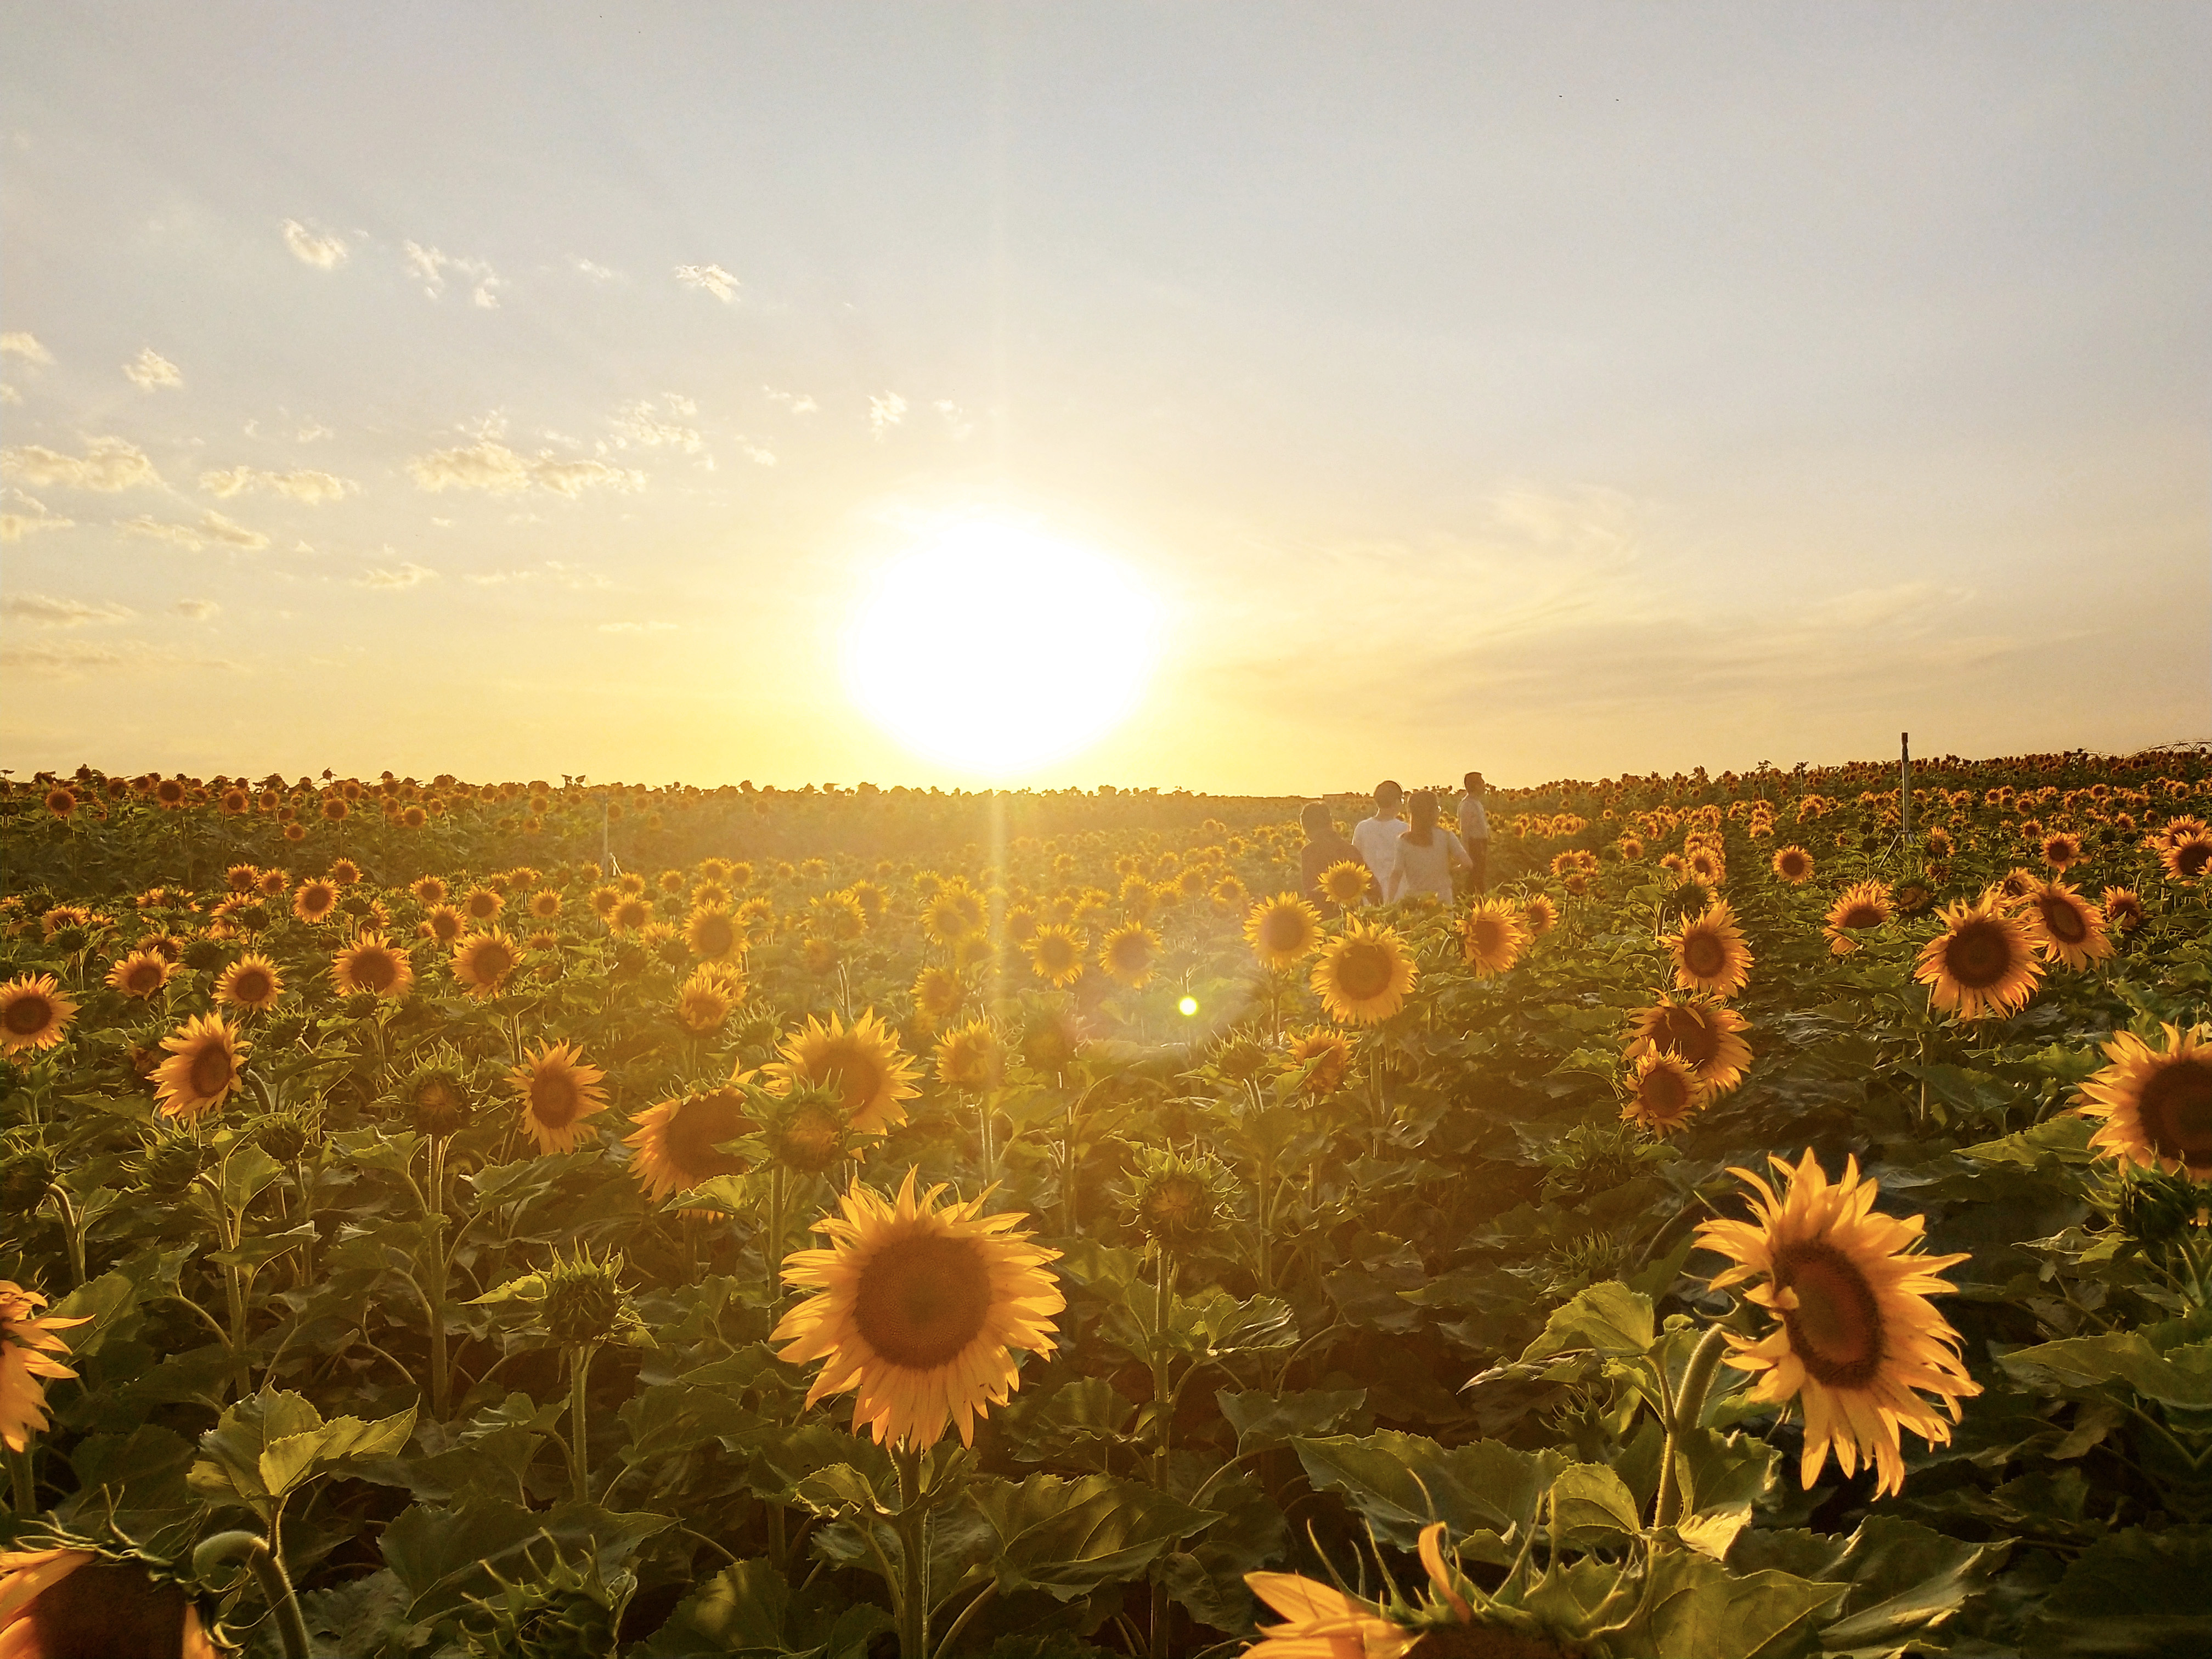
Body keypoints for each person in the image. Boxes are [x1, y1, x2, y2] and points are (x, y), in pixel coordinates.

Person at [1384, 790, 1471, 905]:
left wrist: (1389, 902)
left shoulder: (1404, 840)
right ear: (1434, 812)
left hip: (1417, 902)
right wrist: (1451, 870)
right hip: (1442, 900)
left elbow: (1396, 874)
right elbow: (1467, 864)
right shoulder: (1446, 836)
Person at [1299, 802, 1372, 910]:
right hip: (1353, 918)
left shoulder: (1309, 852)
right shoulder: (1350, 849)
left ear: (1305, 829)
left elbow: (1310, 890)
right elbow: (1373, 887)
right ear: (1331, 823)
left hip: (1324, 918)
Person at [1351, 780, 1408, 895]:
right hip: (1400, 895)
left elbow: (1354, 861)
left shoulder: (1362, 828)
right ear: (1397, 801)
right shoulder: (1405, 829)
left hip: (1370, 895)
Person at [1457, 771, 1491, 894]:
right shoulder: (1467, 805)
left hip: (1481, 843)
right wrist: (1465, 854)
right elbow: (1464, 831)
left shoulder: (1476, 803)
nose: (1485, 785)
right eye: (1482, 782)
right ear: (1475, 786)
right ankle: (1471, 904)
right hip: (1474, 845)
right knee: (1474, 878)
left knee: (1479, 876)